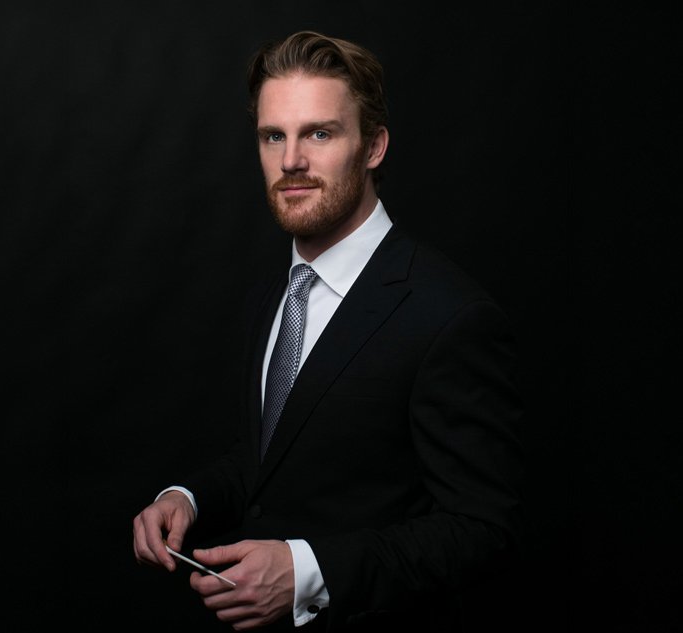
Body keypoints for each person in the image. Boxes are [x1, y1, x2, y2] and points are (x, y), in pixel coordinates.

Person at [131, 30, 524, 631]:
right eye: (274, 136)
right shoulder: (274, 293)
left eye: (319, 133)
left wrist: (310, 573)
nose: (291, 160)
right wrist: (187, 499)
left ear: (373, 147)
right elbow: (273, 459)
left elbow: (483, 529)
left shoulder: (449, 315)